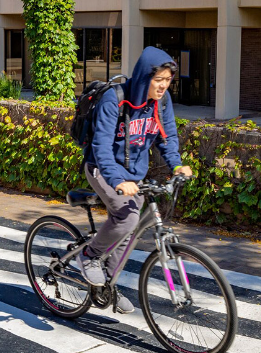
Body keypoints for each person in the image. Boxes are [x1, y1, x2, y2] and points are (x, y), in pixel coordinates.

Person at [77, 46, 192, 314]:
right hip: (102, 169)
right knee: (126, 218)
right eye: (158, 80)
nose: (163, 86)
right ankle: (89, 256)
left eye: (168, 80)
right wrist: (117, 179)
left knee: (133, 227)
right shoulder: (113, 99)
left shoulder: (161, 102)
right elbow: (101, 147)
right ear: (144, 78)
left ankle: (106, 284)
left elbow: (167, 137)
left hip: (133, 175)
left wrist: (176, 165)